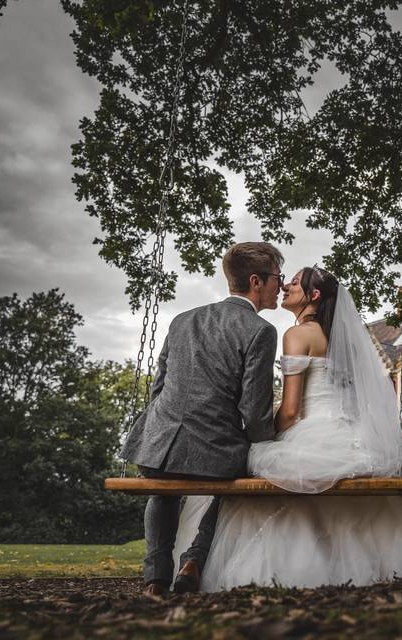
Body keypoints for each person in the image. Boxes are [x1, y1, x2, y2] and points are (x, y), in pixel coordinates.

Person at [173, 267, 402, 589]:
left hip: (309, 433)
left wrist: (266, 437)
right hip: (347, 435)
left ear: (315, 295)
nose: (285, 287)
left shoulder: (296, 335)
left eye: (294, 283)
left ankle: (200, 560)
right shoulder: (341, 342)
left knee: (241, 472)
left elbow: (292, 410)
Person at [121, 242, 283, 596]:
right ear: (256, 281)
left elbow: (159, 387)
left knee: (163, 492)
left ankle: (154, 580)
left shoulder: (182, 320)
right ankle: (193, 560)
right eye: (277, 278)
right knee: (241, 480)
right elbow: (254, 413)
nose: (280, 286)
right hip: (215, 453)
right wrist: (273, 440)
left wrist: (160, 433)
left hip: (159, 448)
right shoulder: (260, 330)